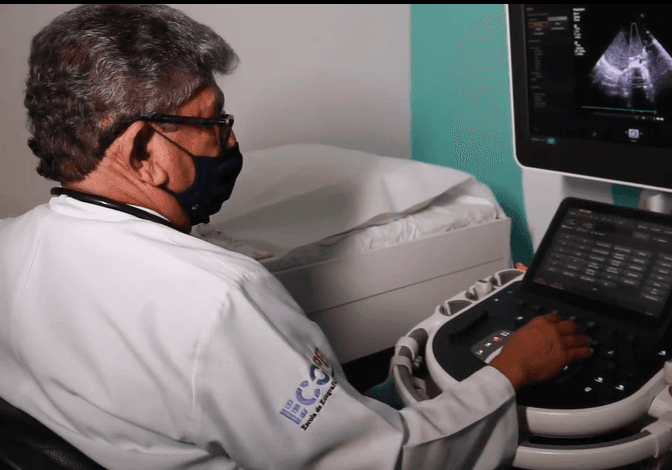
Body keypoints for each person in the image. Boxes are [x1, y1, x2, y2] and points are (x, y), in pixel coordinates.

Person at [0, 5, 592, 469]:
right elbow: (385, 462)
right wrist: (507, 372)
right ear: (145, 152)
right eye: (214, 122)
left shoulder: (11, 244)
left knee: (385, 386)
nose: (230, 144)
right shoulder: (219, 302)